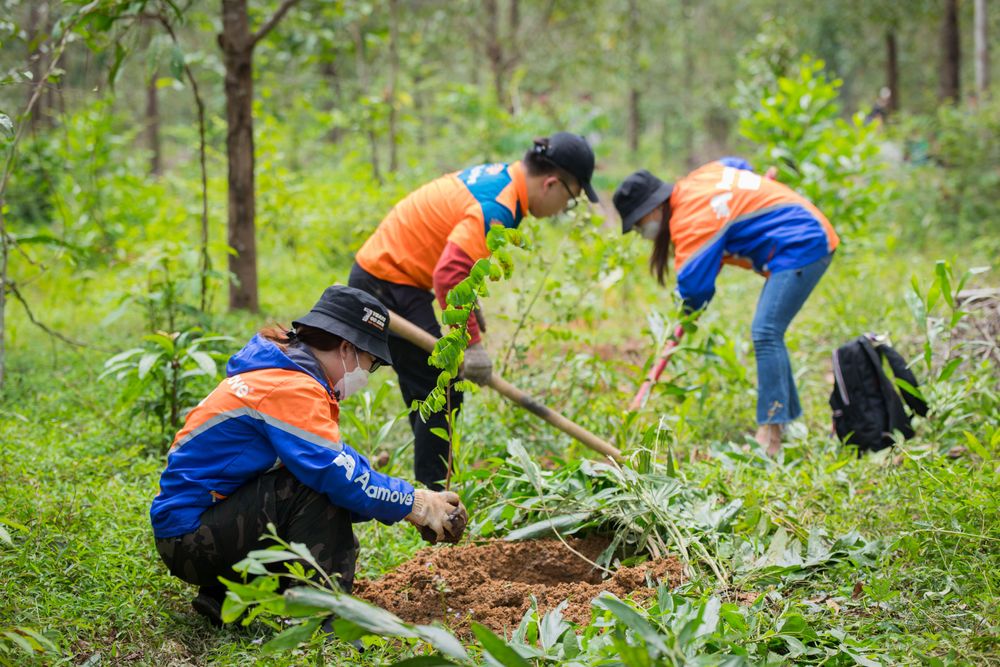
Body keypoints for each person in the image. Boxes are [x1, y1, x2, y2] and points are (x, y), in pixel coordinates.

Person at [150, 285, 468, 626]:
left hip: (197, 530)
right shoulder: (291, 387)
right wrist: (416, 504)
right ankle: (323, 618)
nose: (366, 375)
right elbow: (337, 474)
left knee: (318, 478)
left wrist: (409, 500)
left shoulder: (282, 371)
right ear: (346, 348)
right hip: (191, 541)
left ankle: (228, 594)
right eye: (370, 364)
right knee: (317, 487)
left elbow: (337, 458)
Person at [349, 132, 599, 488]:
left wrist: (469, 309)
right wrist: (473, 345)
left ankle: (430, 487)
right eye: (570, 199)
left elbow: (458, 260)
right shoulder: (499, 205)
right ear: (552, 184)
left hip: (395, 277)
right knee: (442, 382)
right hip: (386, 282)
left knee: (430, 384)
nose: (563, 209)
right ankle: (436, 496)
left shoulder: (504, 180)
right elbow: (449, 274)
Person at [613, 158, 839, 455]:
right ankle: (783, 420)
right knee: (770, 331)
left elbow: (696, 288)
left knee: (766, 331)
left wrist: (688, 307)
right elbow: (737, 164)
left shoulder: (691, 217)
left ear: (653, 209)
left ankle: (770, 434)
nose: (643, 233)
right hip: (805, 230)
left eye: (639, 226)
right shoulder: (698, 180)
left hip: (802, 243)